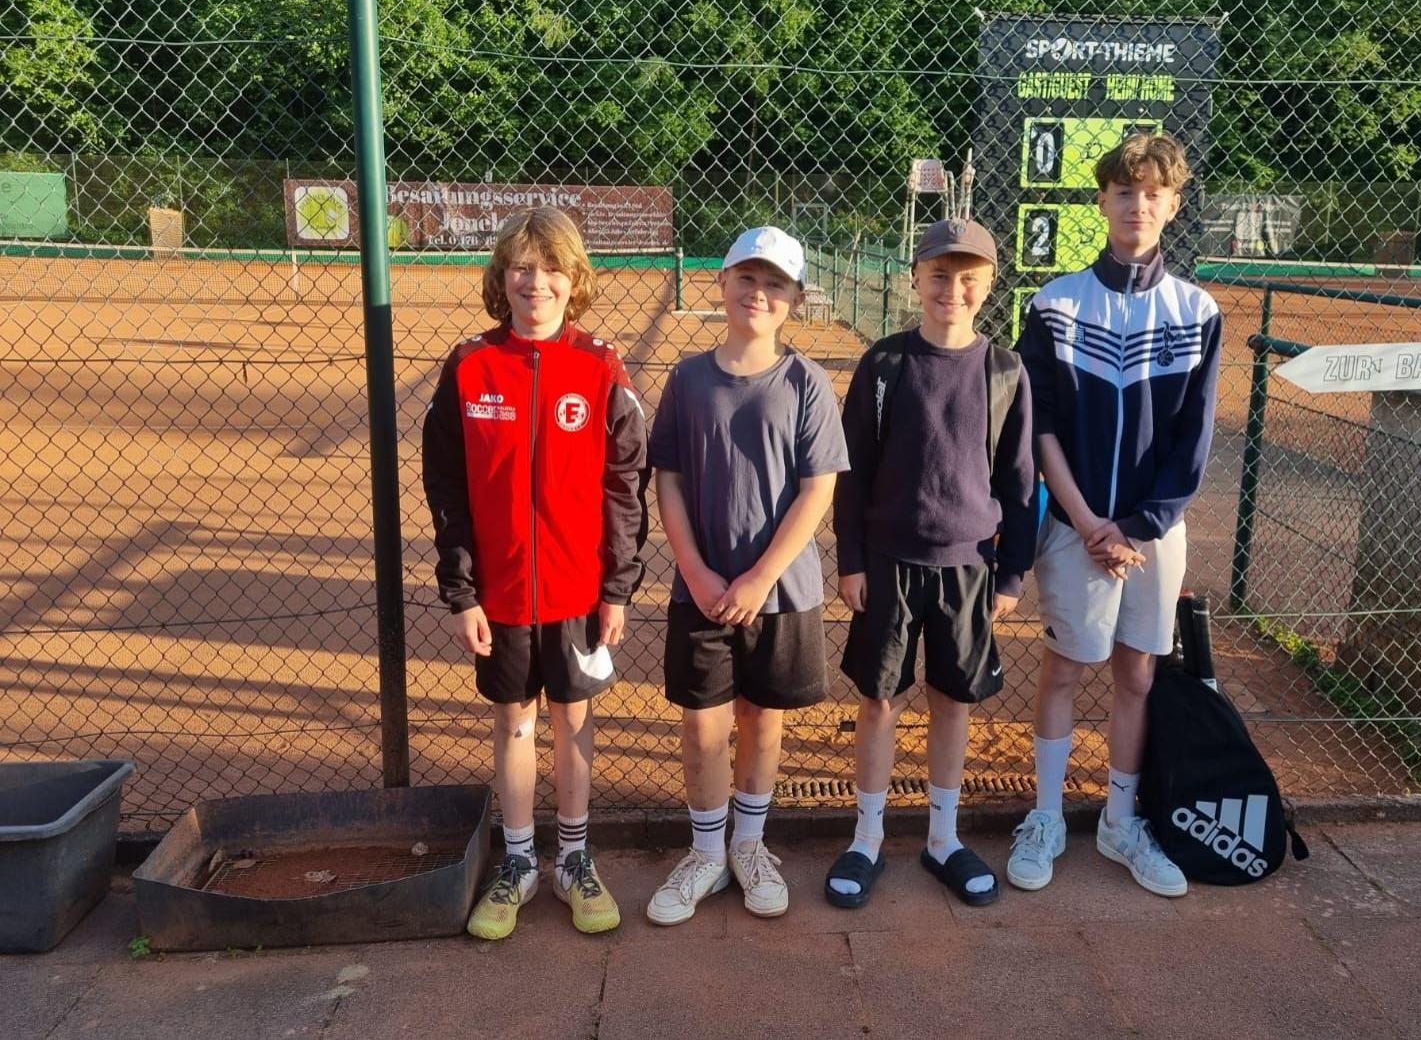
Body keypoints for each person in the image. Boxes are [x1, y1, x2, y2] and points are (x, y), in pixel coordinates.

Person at [421, 207, 647, 936]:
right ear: (502, 276)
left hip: (580, 591)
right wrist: (462, 592)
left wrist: (616, 587)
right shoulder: (469, 366)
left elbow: (625, 485)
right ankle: (518, 861)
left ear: (574, 279)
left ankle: (573, 858)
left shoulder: (600, 366)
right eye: (522, 267)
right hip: (502, 593)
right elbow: (446, 488)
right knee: (515, 721)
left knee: (573, 719)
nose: (537, 282)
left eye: (552, 268)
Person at [1009, 133, 1223, 897]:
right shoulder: (1056, 303)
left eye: (1153, 193)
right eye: (1124, 191)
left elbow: (1194, 439)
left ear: (1174, 204)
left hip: (1152, 535)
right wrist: (1087, 520)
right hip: (1075, 527)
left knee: (1136, 671)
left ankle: (1120, 821)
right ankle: (1045, 815)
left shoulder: (1197, 311)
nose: (1138, 205)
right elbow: (1038, 425)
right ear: (1101, 200)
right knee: (1066, 667)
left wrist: (1135, 528)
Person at [826, 218, 1035, 909]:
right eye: (939, 274)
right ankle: (867, 837)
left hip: (968, 567)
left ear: (989, 285)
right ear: (915, 278)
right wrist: (851, 559)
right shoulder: (885, 364)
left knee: (952, 701)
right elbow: (853, 472)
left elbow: (1020, 483)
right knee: (880, 699)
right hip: (888, 560)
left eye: (968, 277)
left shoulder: (1005, 371)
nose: (953, 288)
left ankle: (943, 838)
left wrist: (1011, 573)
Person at [645, 226, 849, 925]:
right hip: (701, 590)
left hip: (781, 590)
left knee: (762, 717)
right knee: (703, 724)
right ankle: (706, 852)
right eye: (747, 279)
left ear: (795, 297)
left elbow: (818, 489)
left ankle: (750, 846)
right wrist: (696, 571)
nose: (759, 294)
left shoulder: (806, 381)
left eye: (775, 284)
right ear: (723, 282)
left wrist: (761, 577)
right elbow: (669, 480)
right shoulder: (687, 378)